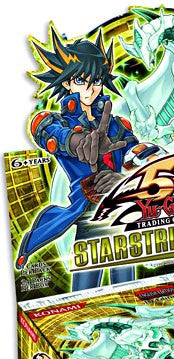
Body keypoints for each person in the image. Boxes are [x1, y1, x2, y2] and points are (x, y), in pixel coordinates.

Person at [17, 28, 138, 290]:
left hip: (120, 214)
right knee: (83, 295)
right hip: (88, 215)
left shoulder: (117, 125)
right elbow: (45, 130)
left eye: (96, 80)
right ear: (67, 83)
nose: (91, 89)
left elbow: (138, 158)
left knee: (127, 291)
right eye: (81, 80)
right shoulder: (57, 123)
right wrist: (77, 142)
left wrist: (123, 180)